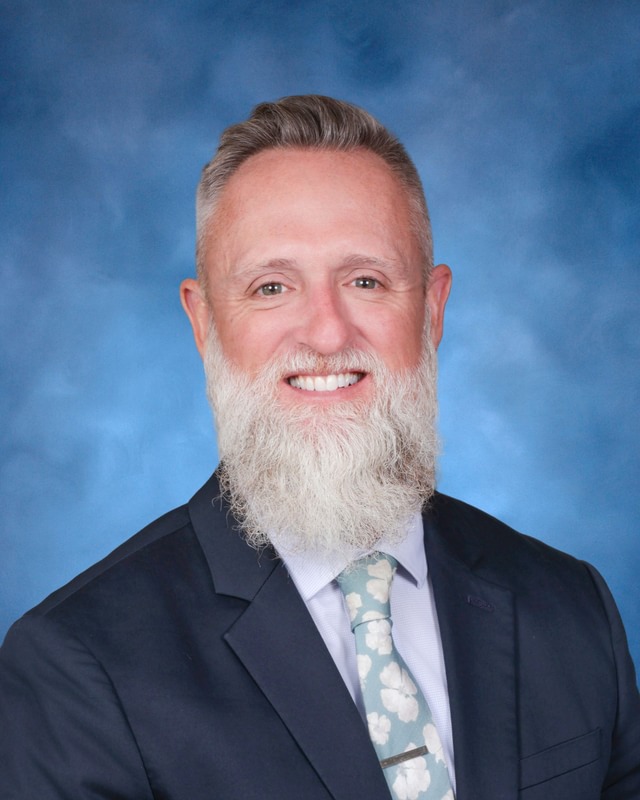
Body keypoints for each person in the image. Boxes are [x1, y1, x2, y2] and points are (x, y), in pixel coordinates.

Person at [0, 95, 638, 800]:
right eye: (272, 287)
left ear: (432, 310)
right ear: (204, 323)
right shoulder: (76, 666)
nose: (328, 333)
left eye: (365, 280)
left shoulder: (572, 609)